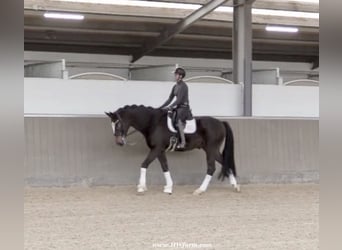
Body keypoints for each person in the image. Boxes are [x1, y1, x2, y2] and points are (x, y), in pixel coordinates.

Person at [159, 67, 190, 149]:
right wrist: (161, 107)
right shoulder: (175, 86)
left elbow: (179, 100)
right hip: (178, 107)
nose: (174, 76)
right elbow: (169, 99)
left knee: (178, 121)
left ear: (180, 76)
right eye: (175, 74)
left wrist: (170, 107)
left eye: (176, 74)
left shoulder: (184, 86)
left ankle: (183, 142)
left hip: (184, 108)